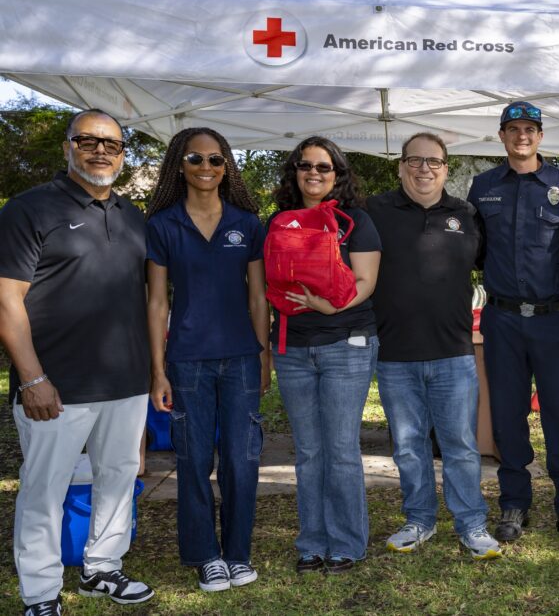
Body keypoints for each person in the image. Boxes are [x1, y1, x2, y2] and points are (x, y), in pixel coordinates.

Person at [0, 109, 155, 615]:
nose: (101, 151)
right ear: (68, 147)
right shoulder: (29, 210)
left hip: (126, 382)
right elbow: (7, 302)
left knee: (118, 476)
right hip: (55, 386)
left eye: (111, 144)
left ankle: (102, 568)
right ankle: (41, 594)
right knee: (44, 492)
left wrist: (152, 374)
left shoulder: (133, 216)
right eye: (88, 141)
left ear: (123, 155)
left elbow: (145, 299)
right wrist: (32, 378)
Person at [144, 127, 269, 592]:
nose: (206, 168)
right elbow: (157, 303)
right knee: (194, 460)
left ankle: (237, 554)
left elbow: (258, 298)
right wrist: (157, 369)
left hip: (240, 359)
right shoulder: (161, 226)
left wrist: (264, 356)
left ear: (226, 167)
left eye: (216, 160)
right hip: (187, 361)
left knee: (242, 458)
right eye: (196, 159)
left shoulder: (247, 224)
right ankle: (205, 555)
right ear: (180, 165)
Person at [368, 132, 501, 560]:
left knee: (461, 444)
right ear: (401, 166)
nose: (425, 169)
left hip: (454, 353)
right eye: (415, 161)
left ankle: (472, 525)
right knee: (408, 446)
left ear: (446, 168)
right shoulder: (375, 211)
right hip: (394, 354)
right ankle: (419, 520)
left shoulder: (466, 214)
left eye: (434, 162)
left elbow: (496, 263)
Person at [467, 102, 559, 548]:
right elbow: (474, 251)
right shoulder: (482, 187)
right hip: (502, 320)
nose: (522, 136)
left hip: (553, 318)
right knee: (507, 414)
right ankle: (514, 503)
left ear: (541, 137)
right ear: (501, 136)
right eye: (513, 129)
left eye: (530, 129)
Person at [268, 136, 382, 574]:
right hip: (293, 348)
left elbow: (366, 281)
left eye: (324, 167)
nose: (314, 174)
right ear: (294, 172)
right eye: (305, 166)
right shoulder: (279, 221)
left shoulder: (357, 221)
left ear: (338, 174)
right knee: (309, 451)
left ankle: (347, 543)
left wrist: (328, 306)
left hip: (345, 342)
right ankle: (311, 543)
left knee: (340, 449)